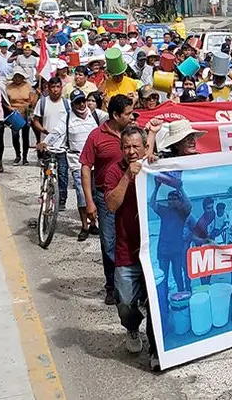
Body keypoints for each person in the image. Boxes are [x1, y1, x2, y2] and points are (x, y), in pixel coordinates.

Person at [102, 125, 160, 371]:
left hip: (153, 250)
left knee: (156, 302)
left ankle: (156, 350)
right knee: (125, 301)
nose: (132, 151)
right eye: (127, 147)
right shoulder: (114, 172)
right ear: (121, 149)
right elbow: (112, 205)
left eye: (136, 146)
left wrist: (153, 156)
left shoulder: (153, 165)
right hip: (127, 251)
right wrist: (127, 177)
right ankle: (132, 327)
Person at [81, 94, 137, 306]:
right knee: (109, 243)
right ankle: (112, 286)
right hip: (105, 198)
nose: (132, 117)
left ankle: (133, 283)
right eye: (128, 114)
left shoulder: (133, 136)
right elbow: (85, 168)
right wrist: (90, 201)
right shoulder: (96, 136)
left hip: (132, 195)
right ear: (115, 115)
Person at [40, 89, 107, 241]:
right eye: (78, 102)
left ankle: (93, 224)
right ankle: (84, 226)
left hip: (96, 161)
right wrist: (45, 142)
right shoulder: (68, 117)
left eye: (83, 100)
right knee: (82, 194)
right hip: (77, 161)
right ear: (72, 104)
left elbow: (112, 119)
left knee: (96, 194)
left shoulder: (95, 114)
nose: (82, 104)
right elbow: (57, 132)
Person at [33, 77, 72, 210]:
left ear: (61, 88)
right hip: (47, 146)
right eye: (53, 87)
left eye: (58, 87)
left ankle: (61, 201)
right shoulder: (42, 102)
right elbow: (36, 120)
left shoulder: (67, 104)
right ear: (48, 88)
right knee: (47, 172)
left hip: (62, 147)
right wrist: (42, 129)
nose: (55, 90)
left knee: (63, 174)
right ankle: (46, 195)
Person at [6, 70, 37, 165]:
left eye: (19, 76)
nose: (17, 78)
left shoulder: (27, 86)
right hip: (14, 113)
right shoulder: (9, 87)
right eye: (16, 76)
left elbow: (33, 98)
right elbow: (6, 100)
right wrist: (9, 108)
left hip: (25, 112)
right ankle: (17, 155)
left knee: (25, 136)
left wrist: (32, 100)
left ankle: (25, 157)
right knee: (15, 135)